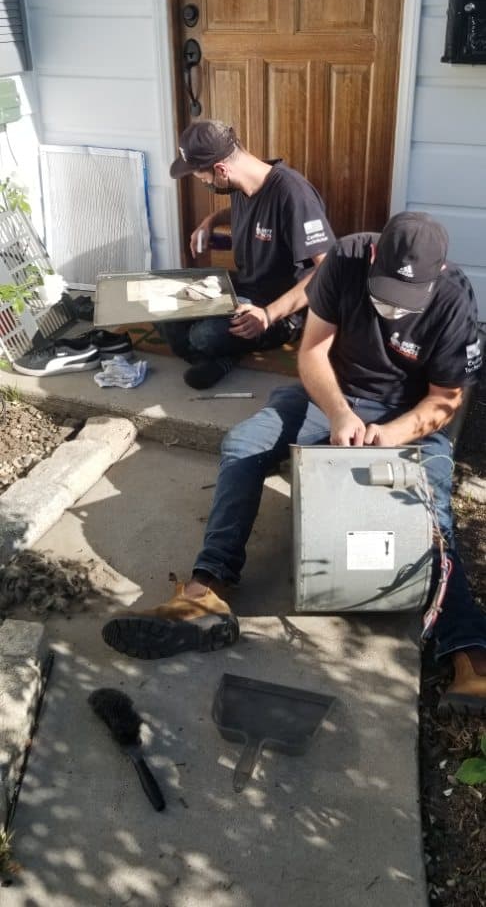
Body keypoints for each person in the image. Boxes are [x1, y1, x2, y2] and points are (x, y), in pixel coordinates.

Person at [102, 211, 486, 715]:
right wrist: (340, 413)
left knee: (432, 506)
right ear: (374, 257)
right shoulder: (347, 258)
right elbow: (311, 352)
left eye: (406, 301)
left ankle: (469, 654)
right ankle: (205, 591)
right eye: (386, 294)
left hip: (406, 413)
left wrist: (390, 435)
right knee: (243, 446)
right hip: (332, 395)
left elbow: (445, 400)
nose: (394, 309)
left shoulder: (455, 299)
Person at [163, 120, 336, 389]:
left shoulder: (292, 194)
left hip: (278, 312)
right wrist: (211, 220)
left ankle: (219, 355)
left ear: (221, 169)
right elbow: (242, 210)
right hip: (241, 286)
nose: (206, 184)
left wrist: (267, 315)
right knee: (162, 303)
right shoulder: (241, 184)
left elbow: (328, 271)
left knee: (204, 336)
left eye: (203, 179)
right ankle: (224, 357)